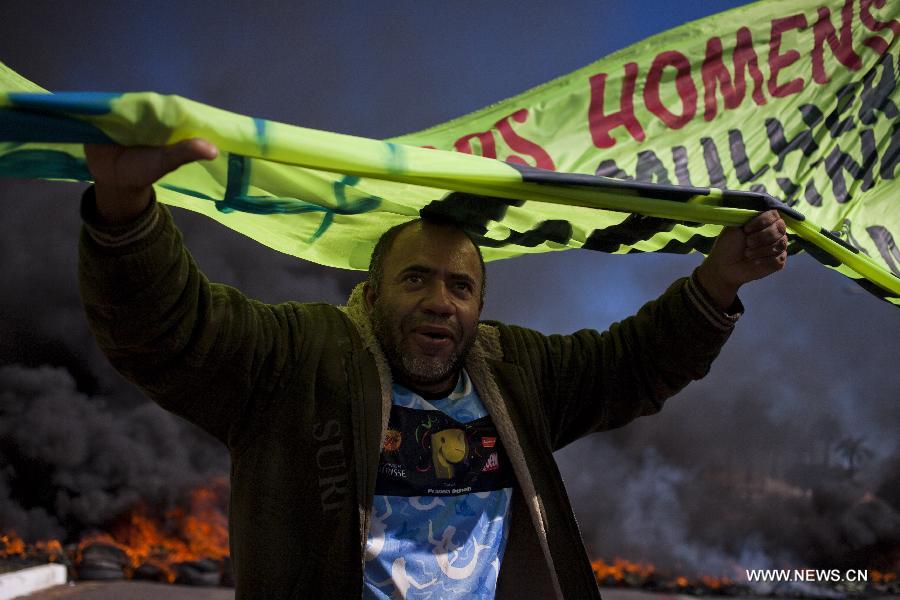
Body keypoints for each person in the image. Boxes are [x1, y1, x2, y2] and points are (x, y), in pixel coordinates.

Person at [79, 138, 788, 600]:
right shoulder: (299, 359)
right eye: (415, 279)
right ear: (373, 290)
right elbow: (171, 332)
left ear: (480, 305)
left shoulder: (516, 371)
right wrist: (125, 208)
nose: (440, 302)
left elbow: (634, 364)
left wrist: (717, 282)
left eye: (460, 286)